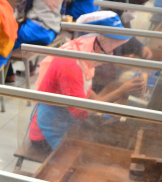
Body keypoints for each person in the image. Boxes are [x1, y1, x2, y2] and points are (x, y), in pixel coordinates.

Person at [27, 11, 145, 150]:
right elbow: (81, 112)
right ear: (95, 41)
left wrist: (120, 95)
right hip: (47, 134)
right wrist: (119, 93)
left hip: (65, 124)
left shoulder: (82, 57)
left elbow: (87, 94)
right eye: (109, 48)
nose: (111, 53)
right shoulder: (71, 64)